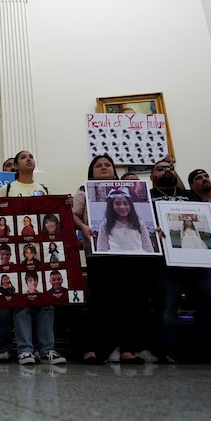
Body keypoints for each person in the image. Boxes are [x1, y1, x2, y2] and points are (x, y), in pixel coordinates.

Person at [73, 153, 150, 365]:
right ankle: (92, 349)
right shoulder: (83, 191)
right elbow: (73, 215)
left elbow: (144, 216)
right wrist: (83, 227)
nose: (104, 167)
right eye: (98, 165)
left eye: (108, 164)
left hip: (130, 254)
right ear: (92, 171)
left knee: (130, 302)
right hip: (99, 254)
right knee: (100, 301)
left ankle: (128, 350)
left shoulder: (128, 192)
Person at [149, 158, 211, 363]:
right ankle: (169, 350)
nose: (166, 171)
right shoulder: (148, 197)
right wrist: (151, 230)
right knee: (167, 305)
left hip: (201, 259)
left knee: (210, 304)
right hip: (166, 261)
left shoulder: (191, 195)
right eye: (160, 169)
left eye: (170, 168)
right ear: (151, 176)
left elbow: (210, 218)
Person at [0, 150, 66, 365]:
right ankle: (25, 349)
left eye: (31, 156)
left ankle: (47, 349)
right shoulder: (7, 189)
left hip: (41, 252)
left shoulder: (43, 189)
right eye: (23, 157)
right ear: (15, 166)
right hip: (17, 252)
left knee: (46, 301)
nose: (29, 159)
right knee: (22, 302)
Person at [95, 187, 154, 253]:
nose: (122, 207)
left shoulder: (139, 223)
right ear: (111, 206)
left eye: (125, 203)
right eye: (117, 204)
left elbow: (147, 246)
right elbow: (102, 248)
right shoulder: (105, 224)